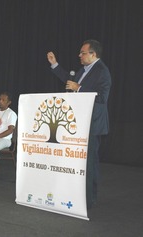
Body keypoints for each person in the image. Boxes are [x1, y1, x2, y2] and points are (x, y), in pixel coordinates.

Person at [47, 39, 111, 208]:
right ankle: (75, 192)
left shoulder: (102, 71)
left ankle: (90, 197)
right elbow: (70, 79)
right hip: (79, 122)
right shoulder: (84, 70)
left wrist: (79, 89)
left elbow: (103, 98)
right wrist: (55, 65)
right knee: (76, 161)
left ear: (93, 54)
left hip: (92, 124)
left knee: (89, 161)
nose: (79, 55)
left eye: (83, 53)